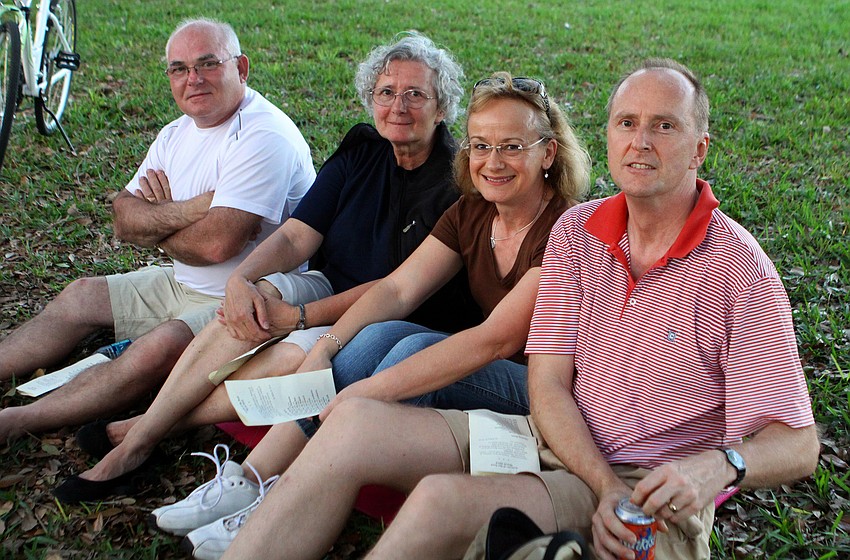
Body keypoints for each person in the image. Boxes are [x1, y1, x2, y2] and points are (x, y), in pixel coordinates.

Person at [217, 58, 820, 560]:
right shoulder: (580, 233)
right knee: (353, 423)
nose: (640, 142)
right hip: (550, 438)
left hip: (641, 484)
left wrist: (722, 465)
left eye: (664, 126)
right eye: (627, 123)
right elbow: (549, 382)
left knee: (437, 501)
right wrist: (352, 385)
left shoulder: (740, 270)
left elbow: (798, 444)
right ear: (608, 135)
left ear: (699, 149)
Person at [154, 73, 592, 560]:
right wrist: (326, 347)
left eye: (511, 146)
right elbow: (398, 288)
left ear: (548, 153)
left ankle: (284, 503)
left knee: (414, 347)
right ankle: (252, 479)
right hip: (499, 370)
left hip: (548, 394)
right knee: (382, 332)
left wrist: (366, 393)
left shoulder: (565, 228)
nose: (492, 162)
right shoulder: (474, 211)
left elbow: (493, 340)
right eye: (481, 145)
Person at [52, 31, 478, 503]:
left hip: (389, 316)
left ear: (442, 108)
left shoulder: (454, 183)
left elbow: (397, 288)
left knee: (294, 355)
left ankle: (141, 436)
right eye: (386, 92)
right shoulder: (363, 146)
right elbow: (297, 235)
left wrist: (298, 319)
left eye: (415, 94)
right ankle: (145, 433)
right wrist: (243, 279)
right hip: (327, 282)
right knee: (255, 300)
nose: (398, 106)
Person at [0, 19, 316, 443]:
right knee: (79, 296)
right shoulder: (176, 133)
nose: (193, 79)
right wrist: (193, 209)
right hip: (181, 280)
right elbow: (122, 218)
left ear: (241, 68)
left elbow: (217, 244)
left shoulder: (263, 134)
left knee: (158, 346)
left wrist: (155, 225)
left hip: (247, 295)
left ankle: (18, 420)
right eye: (179, 69)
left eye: (208, 64)